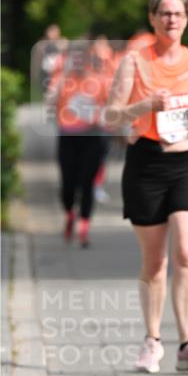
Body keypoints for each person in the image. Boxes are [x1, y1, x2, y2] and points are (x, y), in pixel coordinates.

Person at [105, 0, 188, 373]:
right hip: (146, 162)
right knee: (155, 262)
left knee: (186, 252)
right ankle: (152, 340)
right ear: (153, 19)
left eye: (178, 13)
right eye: (165, 13)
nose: (172, 19)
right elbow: (110, 115)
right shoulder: (135, 62)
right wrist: (144, 104)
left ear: (187, 19)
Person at [48, 41, 108, 247]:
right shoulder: (61, 79)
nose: (78, 61)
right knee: (68, 184)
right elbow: (50, 102)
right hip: (68, 137)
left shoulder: (99, 80)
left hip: (92, 137)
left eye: (82, 56)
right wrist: (63, 76)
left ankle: (84, 226)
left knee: (87, 183)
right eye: (74, 57)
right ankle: (69, 213)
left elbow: (110, 107)